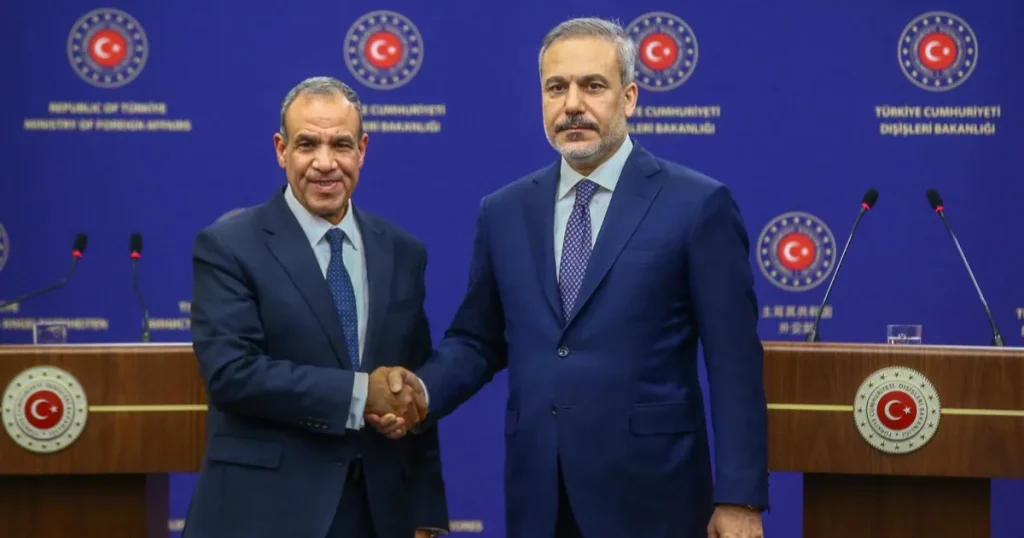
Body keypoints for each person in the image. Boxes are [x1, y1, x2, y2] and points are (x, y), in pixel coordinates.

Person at [370, 17, 768, 538]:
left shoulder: (697, 205)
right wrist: (421, 391)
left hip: (655, 496)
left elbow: (734, 363)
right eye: (556, 88)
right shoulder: (504, 211)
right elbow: (477, 340)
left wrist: (740, 497)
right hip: (540, 495)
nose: (572, 104)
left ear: (629, 98)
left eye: (593, 86)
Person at [183, 76, 448, 538]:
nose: (325, 163)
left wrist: (426, 515)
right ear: (281, 150)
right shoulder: (229, 246)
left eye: (341, 145)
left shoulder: (402, 251)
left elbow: (412, 385)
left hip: (377, 513)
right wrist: (361, 394)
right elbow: (231, 373)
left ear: (362, 150)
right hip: (263, 515)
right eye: (307, 144)